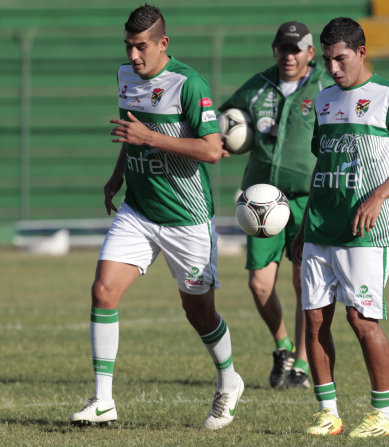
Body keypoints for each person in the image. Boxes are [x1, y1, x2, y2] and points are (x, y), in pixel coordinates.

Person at [69, 5, 243, 430]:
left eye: (141, 46)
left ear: (163, 43)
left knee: (199, 313)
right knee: (103, 290)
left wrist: (151, 138)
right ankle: (104, 400)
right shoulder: (125, 77)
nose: (133, 56)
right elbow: (133, 131)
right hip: (139, 210)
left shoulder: (188, 83)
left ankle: (228, 379)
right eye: (128, 46)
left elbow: (212, 150)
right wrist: (117, 176)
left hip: (187, 218)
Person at [292, 17, 389, 437]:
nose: (332, 68)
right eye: (328, 59)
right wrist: (300, 228)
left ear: (361, 52)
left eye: (340, 58)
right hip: (318, 228)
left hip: (364, 233)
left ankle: (385, 414)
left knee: (361, 320)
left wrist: (378, 196)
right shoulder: (325, 100)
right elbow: (322, 167)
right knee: (313, 320)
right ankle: (328, 412)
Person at [219, 21, 333, 389]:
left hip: (307, 197)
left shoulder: (325, 89)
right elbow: (221, 119)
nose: (289, 56)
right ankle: (282, 345)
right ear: (275, 50)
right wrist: (224, 136)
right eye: (283, 49)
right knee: (259, 284)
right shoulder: (258, 86)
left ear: (310, 54)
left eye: (296, 49)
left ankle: (301, 363)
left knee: (304, 284)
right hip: (260, 200)